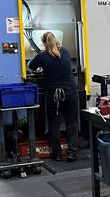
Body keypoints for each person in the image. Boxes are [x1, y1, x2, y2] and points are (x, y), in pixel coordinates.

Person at [28, 32, 78, 162]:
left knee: (54, 124)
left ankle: (57, 154)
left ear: (44, 43)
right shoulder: (65, 52)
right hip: (70, 92)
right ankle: (72, 152)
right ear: (56, 41)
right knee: (72, 122)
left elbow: (30, 66)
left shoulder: (42, 56)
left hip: (54, 94)